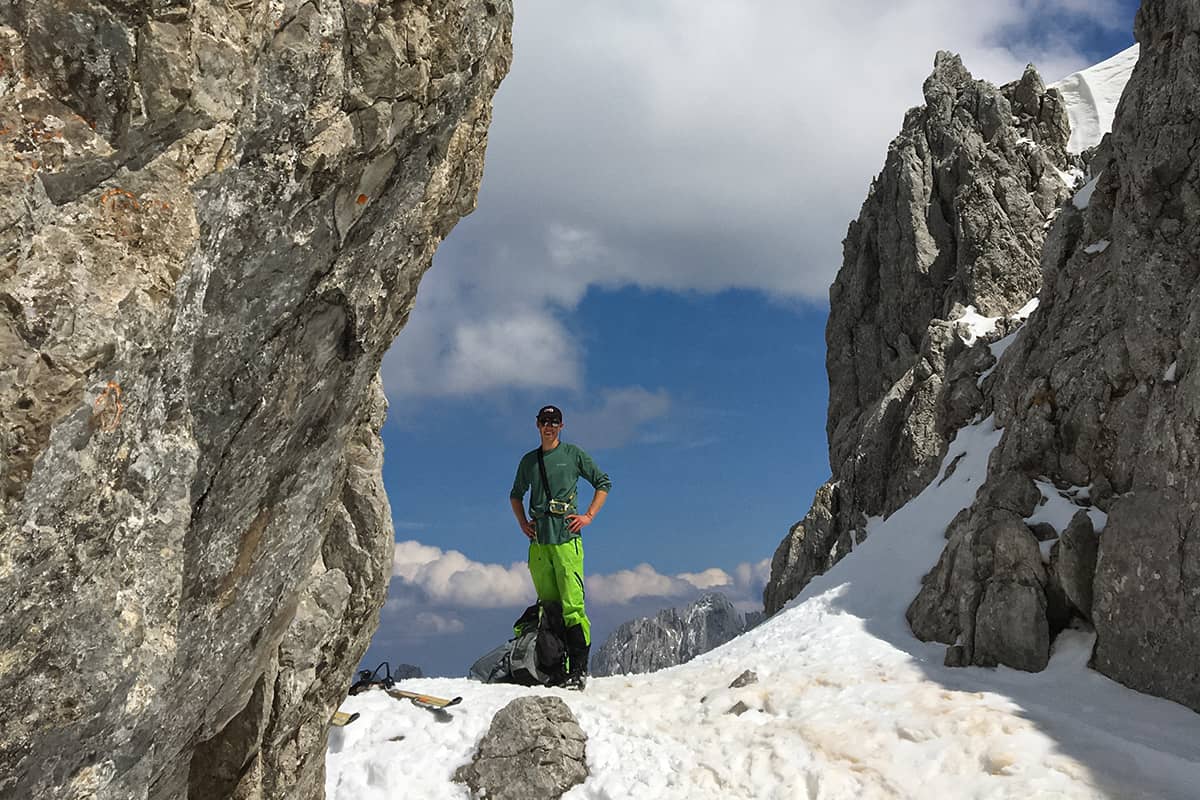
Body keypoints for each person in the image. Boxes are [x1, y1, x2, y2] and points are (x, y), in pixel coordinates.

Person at [509, 404, 611, 689]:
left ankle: (578, 672)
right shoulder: (528, 461)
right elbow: (515, 495)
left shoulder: (573, 455)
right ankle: (555, 671)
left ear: (562, 426)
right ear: (537, 425)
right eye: (545, 421)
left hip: (566, 540)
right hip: (539, 543)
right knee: (549, 607)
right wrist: (522, 523)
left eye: (554, 422)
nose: (549, 426)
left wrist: (588, 516)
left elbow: (603, 482)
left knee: (572, 606)